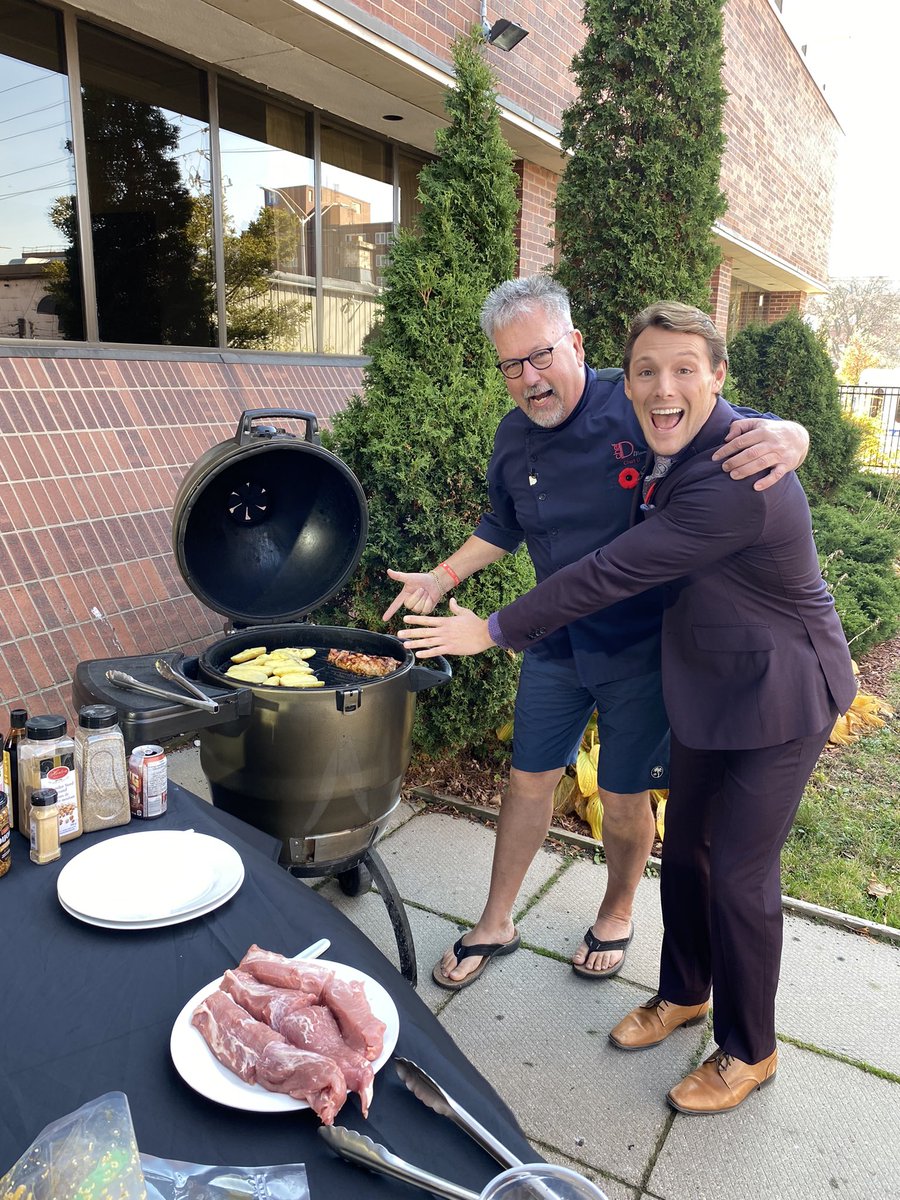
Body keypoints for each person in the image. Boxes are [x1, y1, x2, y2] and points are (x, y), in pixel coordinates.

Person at [396, 301, 857, 1113]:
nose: (661, 387)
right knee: (686, 858)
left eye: (684, 370)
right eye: (647, 371)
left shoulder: (735, 474)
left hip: (781, 693)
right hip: (707, 681)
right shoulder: (656, 420)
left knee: (741, 878)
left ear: (719, 377)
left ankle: (751, 1050)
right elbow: (518, 521)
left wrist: (493, 629)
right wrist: (447, 577)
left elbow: (612, 570)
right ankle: (685, 993)